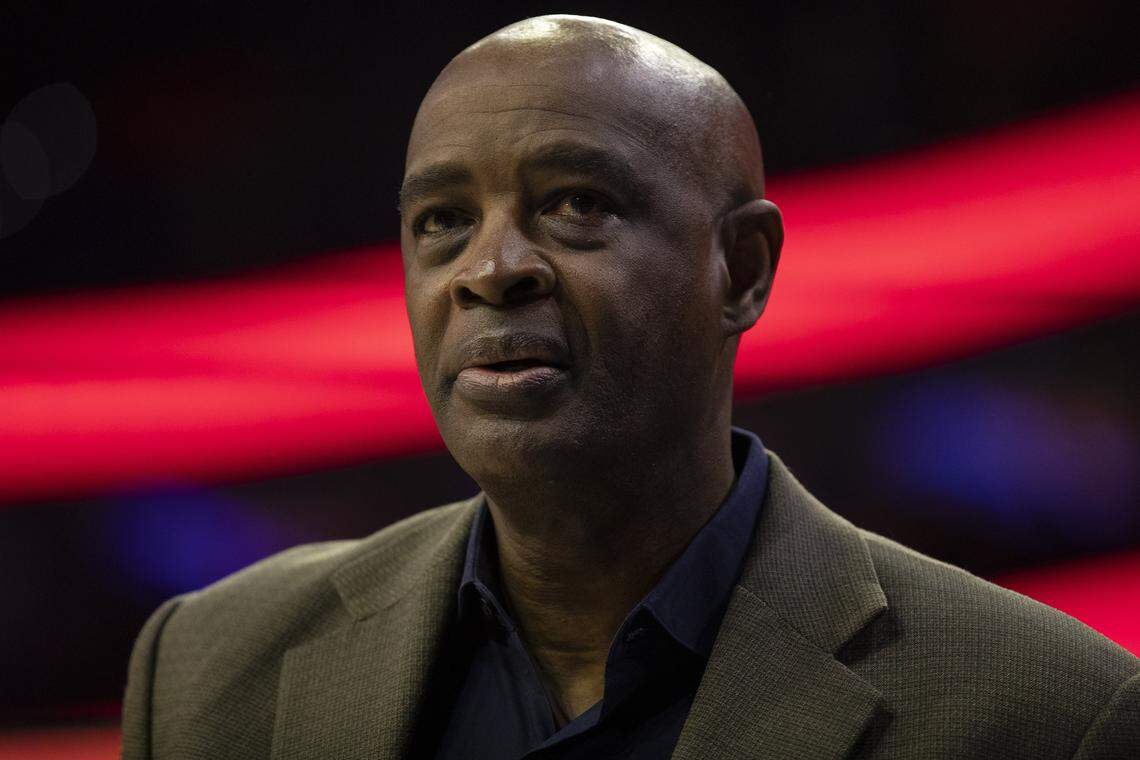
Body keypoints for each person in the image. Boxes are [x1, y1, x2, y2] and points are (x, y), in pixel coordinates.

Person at [121, 15, 1140, 759]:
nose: (491, 268)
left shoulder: (1052, 716)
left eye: (575, 204)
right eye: (443, 220)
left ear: (742, 270)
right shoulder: (206, 671)